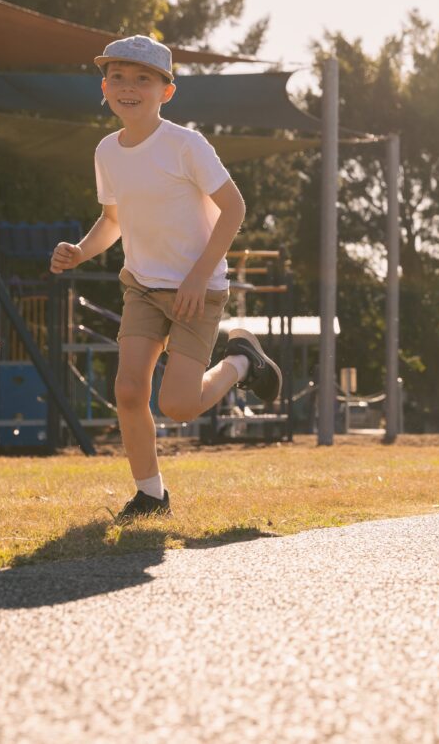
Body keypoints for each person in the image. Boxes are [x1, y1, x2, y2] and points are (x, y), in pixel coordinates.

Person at [51, 35, 280, 520]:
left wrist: (198, 278)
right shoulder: (107, 152)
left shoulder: (185, 144)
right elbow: (113, 220)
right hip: (141, 286)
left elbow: (234, 208)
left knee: (177, 405)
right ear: (104, 86)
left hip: (197, 290)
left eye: (143, 79)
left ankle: (242, 362)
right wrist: (81, 251)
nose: (128, 87)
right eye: (118, 77)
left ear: (166, 91)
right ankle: (151, 495)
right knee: (129, 391)